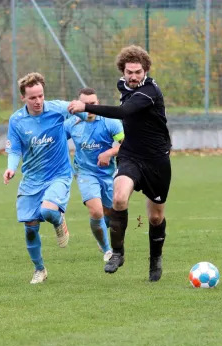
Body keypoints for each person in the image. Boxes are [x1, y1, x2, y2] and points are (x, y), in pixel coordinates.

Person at [68, 45, 171, 281]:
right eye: (129, 72)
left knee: (155, 217)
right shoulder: (122, 85)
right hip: (131, 155)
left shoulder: (149, 92)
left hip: (156, 161)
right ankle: (117, 253)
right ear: (122, 72)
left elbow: (124, 112)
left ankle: (155, 259)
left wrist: (86, 106)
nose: (133, 77)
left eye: (137, 72)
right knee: (119, 198)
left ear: (145, 71)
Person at [4, 72, 86, 284]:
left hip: (59, 174)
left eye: (40, 95)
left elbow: (82, 111)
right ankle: (39, 269)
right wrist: (11, 168)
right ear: (24, 97)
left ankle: (59, 222)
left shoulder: (57, 108)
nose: (38, 101)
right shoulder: (17, 120)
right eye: (33, 97)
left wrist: (86, 110)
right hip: (32, 179)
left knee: (48, 210)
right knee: (30, 227)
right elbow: (14, 150)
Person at [64, 88, 125, 262]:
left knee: (108, 213)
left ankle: (103, 239)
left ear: (98, 104)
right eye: (85, 104)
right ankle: (107, 250)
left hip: (108, 175)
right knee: (96, 211)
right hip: (85, 173)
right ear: (78, 104)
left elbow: (127, 144)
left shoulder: (110, 121)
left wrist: (109, 153)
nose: (89, 108)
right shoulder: (72, 123)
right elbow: (57, 142)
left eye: (93, 104)